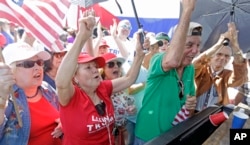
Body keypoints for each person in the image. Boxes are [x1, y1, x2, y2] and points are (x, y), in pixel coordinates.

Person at [55, 11, 150, 145]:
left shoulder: (102, 88)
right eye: (88, 67)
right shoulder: (71, 97)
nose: (95, 69)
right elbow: (61, 83)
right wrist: (82, 36)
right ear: (75, 78)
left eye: (95, 66)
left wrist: (139, 55)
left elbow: (129, 78)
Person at [134, 0, 198, 143]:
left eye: (198, 45)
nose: (195, 51)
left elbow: (189, 108)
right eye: (189, 45)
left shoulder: (190, 69)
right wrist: (187, 11)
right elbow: (173, 61)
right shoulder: (158, 59)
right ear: (175, 44)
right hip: (148, 137)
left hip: (172, 136)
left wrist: (190, 106)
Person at [0, 42, 63, 145]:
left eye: (39, 62)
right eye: (28, 64)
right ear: (11, 71)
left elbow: (64, 114)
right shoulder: (7, 99)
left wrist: (64, 123)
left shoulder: (46, 88)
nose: (37, 67)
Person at [193, 22, 248, 112]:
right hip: (193, 114)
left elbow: (240, 76)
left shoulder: (226, 75)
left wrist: (235, 44)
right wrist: (219, 44)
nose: (223, 58)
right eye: (219, 54)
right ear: (210, 57)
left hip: (214, 116)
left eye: (227, 56)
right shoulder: (201, 70)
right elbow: (195, 64)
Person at [101, 52, 136, 145]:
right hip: (108, 135)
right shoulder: (99, 88)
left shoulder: (123, 85)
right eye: (111, 64)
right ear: (103, 69)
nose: (116, 67)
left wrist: (132, 109)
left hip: (124, 131)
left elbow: (128, 104)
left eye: (118, 64)